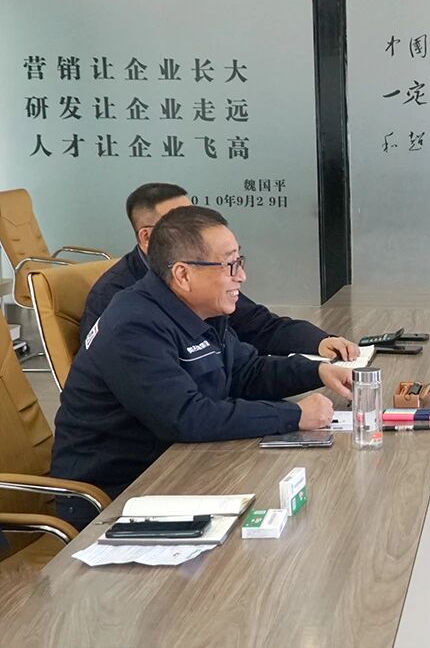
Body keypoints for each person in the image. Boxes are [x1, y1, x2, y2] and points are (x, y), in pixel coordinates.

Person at [52, 206, 354, 528]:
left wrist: (316, 372)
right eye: (229, 265)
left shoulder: (201, 309)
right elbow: (186, 417)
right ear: (183, 275)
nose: (241, 276)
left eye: (240, 261)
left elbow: (244, 371)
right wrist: (294, 415)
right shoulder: (133, 324)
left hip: (179, 467)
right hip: (116, 495)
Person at [81, 183, 357, 361]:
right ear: (146, 237)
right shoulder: (118, 300)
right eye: (179, 221)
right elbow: (182, 405)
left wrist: (320, 342)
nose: (196, 226)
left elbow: (256, 326)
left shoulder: (207, 282)